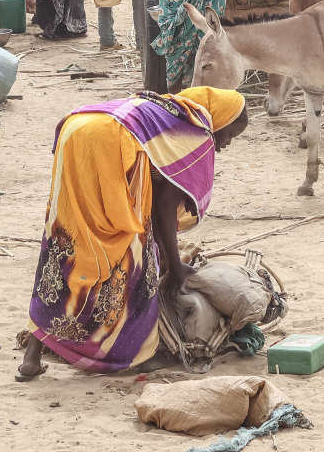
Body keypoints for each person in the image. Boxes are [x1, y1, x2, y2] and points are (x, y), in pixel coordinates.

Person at [17, 86, 249, 380]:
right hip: (113, 139)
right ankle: (131, 355)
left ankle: (31, 358)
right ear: (221, 118)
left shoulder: (168, 111)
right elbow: (164, 207)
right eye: (230, 133)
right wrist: (174, 266)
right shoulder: (196, 132)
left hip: (76, 128)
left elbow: (155, 194)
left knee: (65, 245)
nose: (226, 143)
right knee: (133, 255)